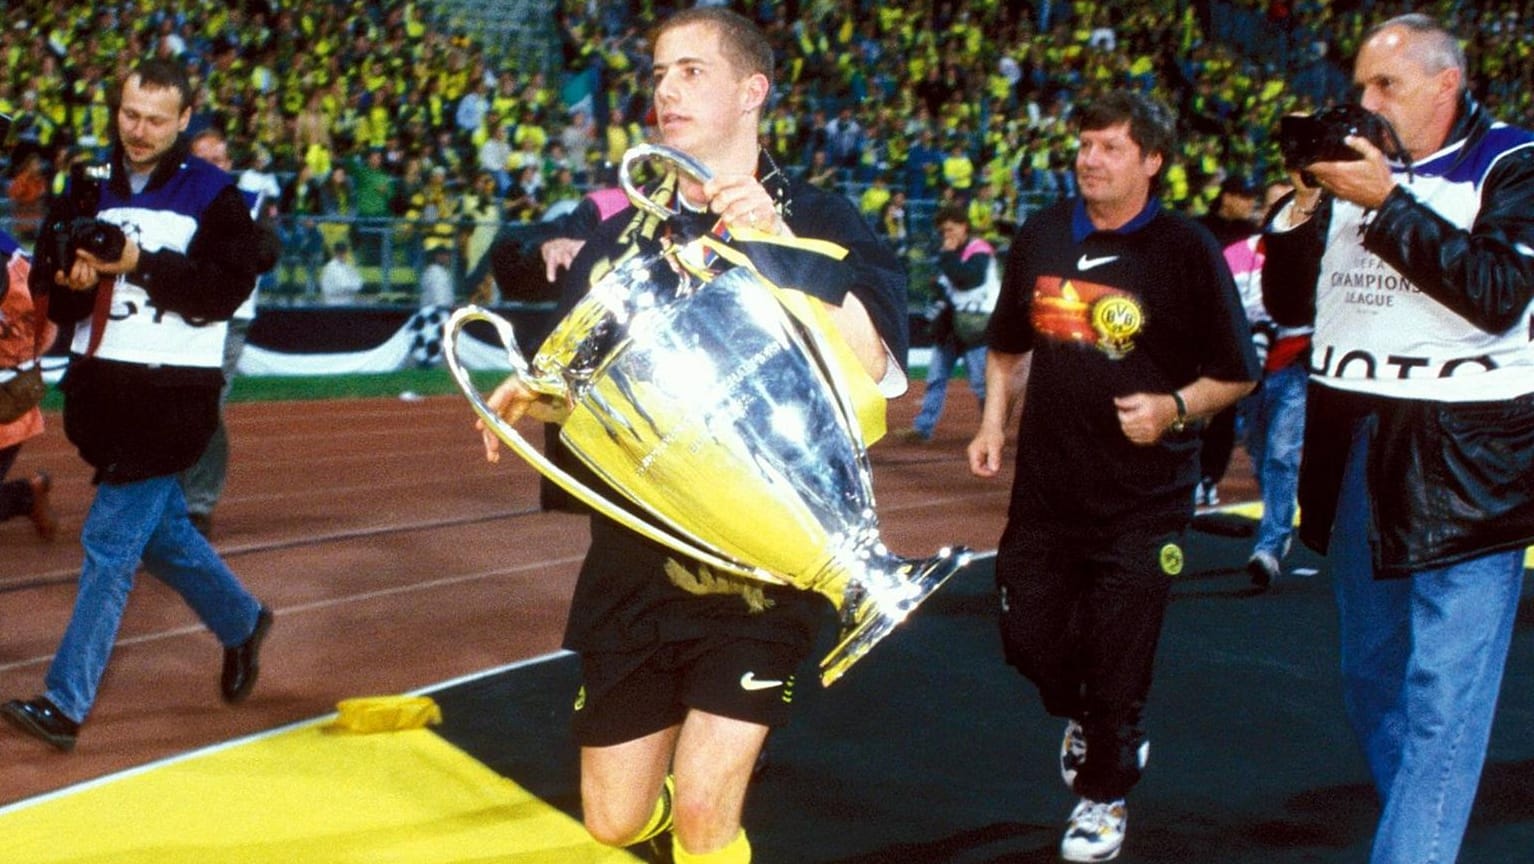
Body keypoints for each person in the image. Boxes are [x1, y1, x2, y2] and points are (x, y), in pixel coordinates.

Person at [476, 8, 908, 862]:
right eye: (660, 73)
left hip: (762, 562)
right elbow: (578, 382)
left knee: (709, 815)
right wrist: (534, 389)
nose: (665, 89)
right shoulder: (618, 238)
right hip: (635, 557)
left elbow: (885, 366)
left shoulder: (820, 218)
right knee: (614, 819)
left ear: (753, 91)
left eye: (691, 71)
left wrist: (779, 246)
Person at [1261, 15, 1534, 863]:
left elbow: (1497, 293)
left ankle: (1415, 847)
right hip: (1352, 441)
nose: (1365, 103)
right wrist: (1306, 206)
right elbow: (1288, 303)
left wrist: (1388, 202)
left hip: (1470, 456)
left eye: (1387, 86)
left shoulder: (1514, 161)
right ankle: (1421, 824)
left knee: (1442, 694)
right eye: (1360, 86)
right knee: (1370, 677)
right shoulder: (1352, 175)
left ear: (1444, 85)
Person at [967, 91, 1258, 862]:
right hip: (1047, 495)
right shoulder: (1039, 235)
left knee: (1122, 654)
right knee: (1027, 638)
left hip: (1145, 500)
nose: (1090, 160)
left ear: (1152, 160)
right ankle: (1087, 717)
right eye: (1085, 145)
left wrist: (1172, 407)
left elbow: (1237, 373)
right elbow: (1004, 346)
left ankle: (1103, 794)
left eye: (1111, 148)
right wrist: (994, 422)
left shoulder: (1184, 250)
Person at [0, 59, 275, 753]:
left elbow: (222, 291)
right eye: (129, 114)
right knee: (164, 537)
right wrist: (69, 273)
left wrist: (139, 264)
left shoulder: (216, 196)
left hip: (173, 399)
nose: (139, 130)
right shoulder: (88, 184)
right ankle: (243, 622)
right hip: (104, 393)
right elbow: (48, 293)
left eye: (156, 119)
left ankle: (64, 705)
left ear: (185, 121)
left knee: (109, 542)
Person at [178, 127, 265, 538]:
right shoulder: (176, 199)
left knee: (207, 406)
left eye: (220, 160)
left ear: (229, 165)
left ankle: (198, 504)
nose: (213, 167)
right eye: (204, 160)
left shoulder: (248, 202)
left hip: (229, 319)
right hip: (181, 314)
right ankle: (171, 497)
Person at [1233, 181, 1311, 588]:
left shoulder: (1314, 249)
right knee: (1261, 452)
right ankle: (1275, 520)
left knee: (1282, 453)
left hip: (1294, 366)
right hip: (1250, 371)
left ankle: (1270, 544)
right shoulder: (1237, 254)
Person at [1192, 175, 1262, 507]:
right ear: (1227, 197)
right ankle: (1186, 473)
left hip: (1233, 331)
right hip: (1195, 329)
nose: (1250, 204)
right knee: (1187, 405)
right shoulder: (1199, 229)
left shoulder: (1255, 235)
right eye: (1245, 196)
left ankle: (1208, 477)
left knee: (1223, 409)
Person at [905, 205, 998, 442]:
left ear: (964, 226)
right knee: (936, 378)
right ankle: (922, 428)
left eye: (951, 228)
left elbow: (968, 280)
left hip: (975, 326)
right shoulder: (950, 252)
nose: (948, 234)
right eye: (943, 231)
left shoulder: (979, 250)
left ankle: (991, 429)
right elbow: (946, 285)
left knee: (980, 384)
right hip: (952, 327)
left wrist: (948, 256)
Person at [0, 231, 57, 541]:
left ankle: (25, 496)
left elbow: (46, 327)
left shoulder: (16, 269)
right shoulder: (23, 263)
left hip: (7, 402)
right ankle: (25, 495)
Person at [320, 241, 365, 306]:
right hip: (333, 304)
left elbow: (359, 283)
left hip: (349, 303)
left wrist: (349, 288)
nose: (342, 254)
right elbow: (329, 288)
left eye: (344, 252)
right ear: (335, 253)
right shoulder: (329, 268)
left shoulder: (349, 267)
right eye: (339, 252)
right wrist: (346, 288)